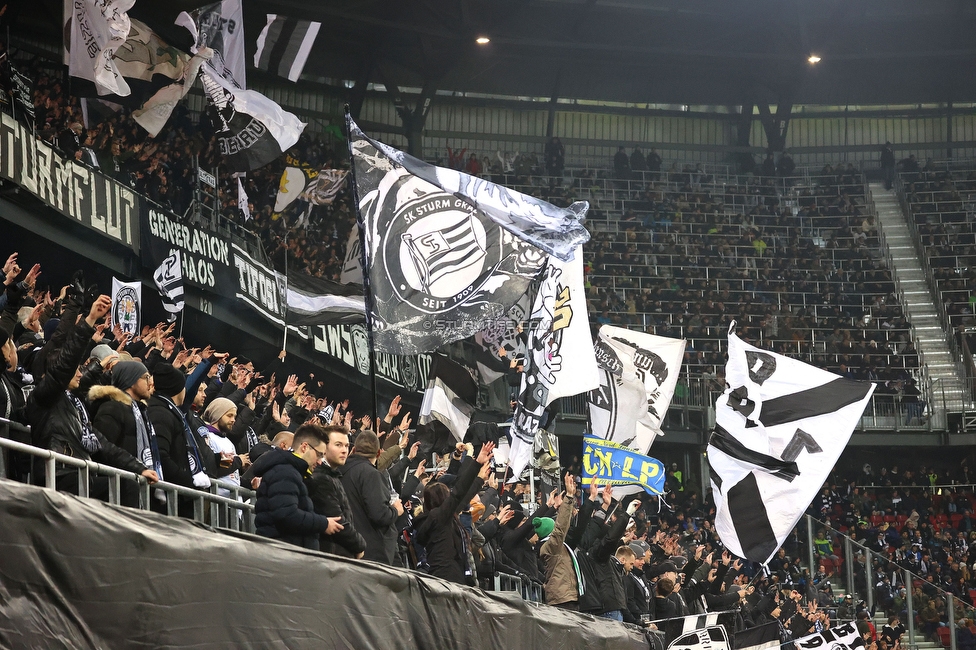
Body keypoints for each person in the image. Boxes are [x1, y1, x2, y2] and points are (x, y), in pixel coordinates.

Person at [26, 294, 158, 500]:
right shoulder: (44, 396)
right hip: (58, 475)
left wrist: (138, 467)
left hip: (78, 472)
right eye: (75, 370)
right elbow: (67, 361)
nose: (80, 373)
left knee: (129, 485)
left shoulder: (74, 405)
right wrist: (89, 321)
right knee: (125, 489)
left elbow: (102, 443)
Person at [414, 441, 495, 584]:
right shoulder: (438, 516)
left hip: (451, 577)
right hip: (446, 579)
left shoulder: (441, 517)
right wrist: (475, 464)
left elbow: (464, 498)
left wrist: (479, 480)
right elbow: (458, 493)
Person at [252, 424, 342, 550]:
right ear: (304, 447)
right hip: (283, 554)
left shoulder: (294, 473)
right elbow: (287, 514)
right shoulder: (285, 472)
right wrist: (323, 523)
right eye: (319, 454)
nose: (320, 461)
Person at [339, 430, 404, 564]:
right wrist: (396, 510)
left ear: (354, 449)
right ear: (379, 453)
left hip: (348, 547)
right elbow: (379, 514)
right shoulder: (371, 474)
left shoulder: (339, 471)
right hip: (373, 554)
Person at [307, 424, 366, 559]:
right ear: (324, 448)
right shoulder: (320, 478)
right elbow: (337, 521)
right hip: (330, 558)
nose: (345, 450)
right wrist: (360, 545)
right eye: (338, 445)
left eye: (346, 446)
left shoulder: (332, 476)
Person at [540, 472, 582, 610]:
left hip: (567, 597)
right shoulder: (551, 546)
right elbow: (561, 528)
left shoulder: (558, 546)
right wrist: (569, 497)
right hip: (561, 600)